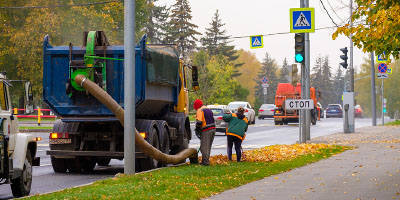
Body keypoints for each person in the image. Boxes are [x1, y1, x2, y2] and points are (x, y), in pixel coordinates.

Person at [194, 99, 216, 166]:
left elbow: (199, 122)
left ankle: (205, 162)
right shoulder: (208, 109)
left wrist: (197, 129)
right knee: (208, 146)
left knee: (204, 147)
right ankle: (205, 160)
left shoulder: (199, 110)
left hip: (206, 130)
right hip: (213, 129)